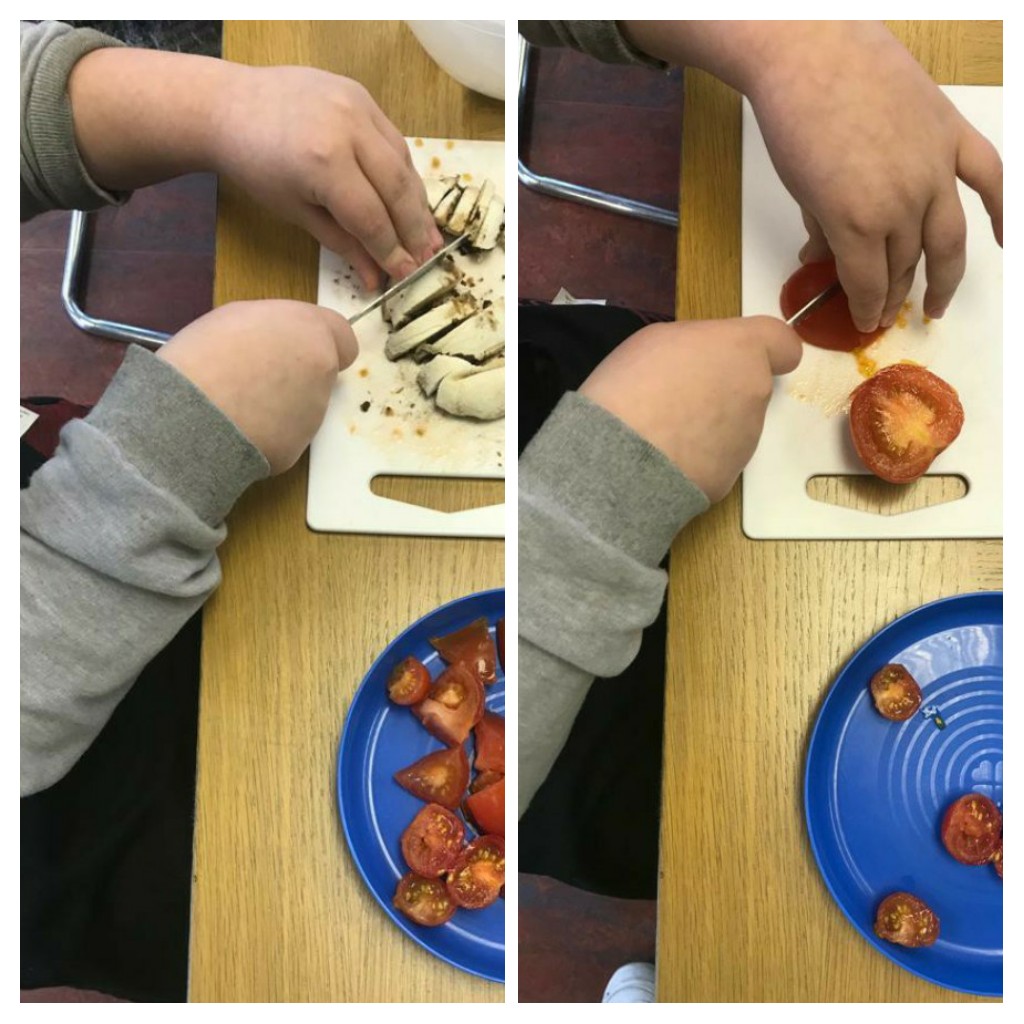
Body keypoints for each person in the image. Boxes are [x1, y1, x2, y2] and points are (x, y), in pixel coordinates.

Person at [516, 20, 1002, 1001]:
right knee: (699, 803)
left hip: (585, 431)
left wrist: (783, 39)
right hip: (559, 709)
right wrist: (606, 492)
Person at [20, 20, 437, 999]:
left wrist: (218, 105)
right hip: (69, 821)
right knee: (285, 904)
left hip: (84, 504)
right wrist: (159, 468)